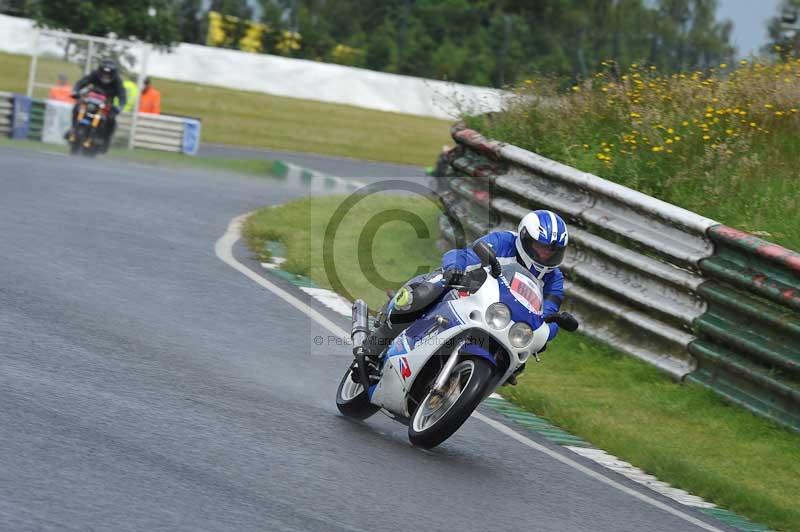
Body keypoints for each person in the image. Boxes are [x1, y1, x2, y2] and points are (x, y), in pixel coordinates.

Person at [360, 209, 568, 383]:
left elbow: (549, 311)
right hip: (469, 291)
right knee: (423, 293)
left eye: (552, 250)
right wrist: (455, 269)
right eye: (541, 247)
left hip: (501, 319)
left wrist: (547, 330)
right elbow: (464, 255)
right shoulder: (503, 241)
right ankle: (374, 345)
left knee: (520, 357)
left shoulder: (554, 279)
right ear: (524, 237)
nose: (545, 254)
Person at [69, 59, 126, 152]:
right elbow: (81, 82)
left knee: (112, 119)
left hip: (107, 104)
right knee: (77, 107)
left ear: (113, 74)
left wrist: (120, 106)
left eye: (108, 74)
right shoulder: (94, 74)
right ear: (100, 71)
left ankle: (105, 141)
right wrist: (75, 91)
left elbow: (122, 95)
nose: (105, 76)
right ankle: (73, 128)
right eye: (103, 73)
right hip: (91, 101)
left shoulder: (117, 81)